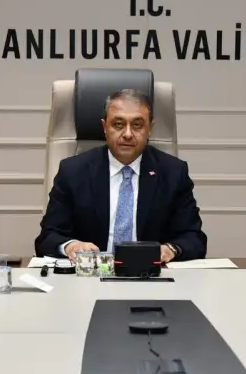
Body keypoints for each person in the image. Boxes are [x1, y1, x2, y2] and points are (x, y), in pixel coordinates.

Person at [36, 88, 206, 263]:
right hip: (91, 275)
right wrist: (70, 246)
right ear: (105, 127)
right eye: (118, 124)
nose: (127, 134)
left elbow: (194, 238)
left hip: (150, 274)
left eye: (137, 125)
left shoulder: (173, 173)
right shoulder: (73, 171)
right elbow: (48, 237)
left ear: (150, 128)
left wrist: (170, 249)